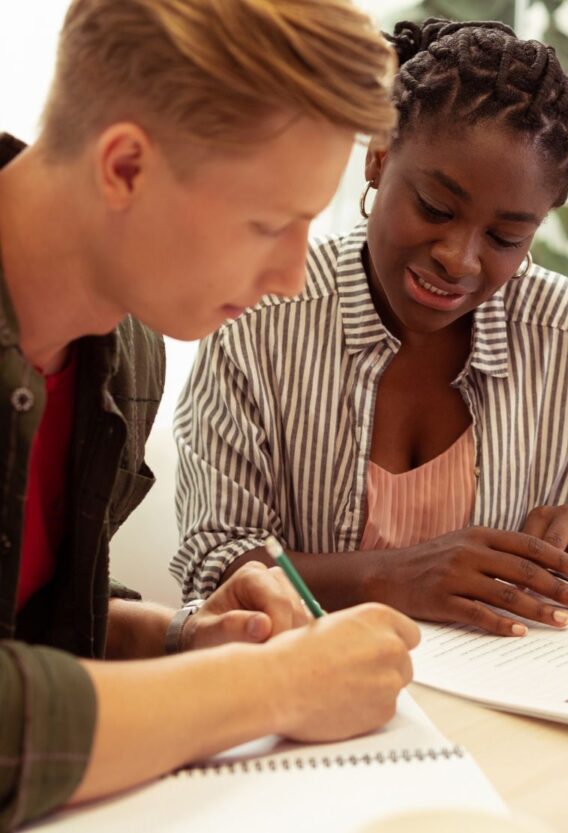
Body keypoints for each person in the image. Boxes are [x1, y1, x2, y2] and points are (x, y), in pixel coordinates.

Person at [174, 18, 568, 640]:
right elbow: (214, 568)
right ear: (379, 157)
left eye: (506, 237)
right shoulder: (258, 323)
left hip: (511, 710)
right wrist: (388, 577)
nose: (459, 259)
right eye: (434, 208)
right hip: (304, 705)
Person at [0, 1, 425, 829]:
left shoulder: (122, 348)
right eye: (269, 223)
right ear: (125, 166)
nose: (294, 276)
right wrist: (276, 685)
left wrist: (182, 638)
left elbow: (33, 622)